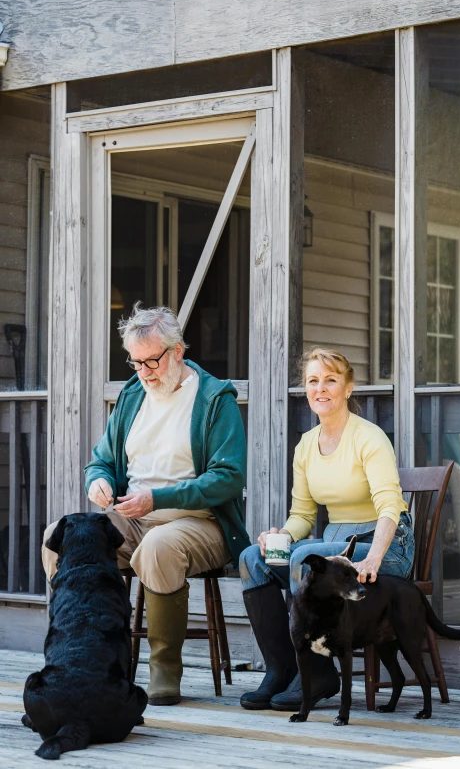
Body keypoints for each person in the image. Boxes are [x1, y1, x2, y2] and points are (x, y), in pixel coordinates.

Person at [42, 303, 249, 706]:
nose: (143, 372)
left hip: (199, 522)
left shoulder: (213, 398)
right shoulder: (133, 395)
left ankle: (164, 670)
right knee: (58, 536)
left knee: (159, 547)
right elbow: (100, 459)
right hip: (132, 518)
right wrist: (98, 481)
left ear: (177, 351)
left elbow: (227, 478)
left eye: (151, 361)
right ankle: (74, 648)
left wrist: (159, 498)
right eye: (135, 363)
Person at [239, 347, 414, 711]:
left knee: (304, 558)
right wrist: (281, 537)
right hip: (339, 545)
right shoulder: (305, 446)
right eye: (313, 381)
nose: (321, 388)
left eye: (331, 380)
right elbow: (303, 516)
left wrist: (375, 559)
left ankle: (318, 674)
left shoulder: (370, 437)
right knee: (252, 558)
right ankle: (283, 666)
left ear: (348, 388)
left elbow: (389, 506)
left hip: (385, 544)